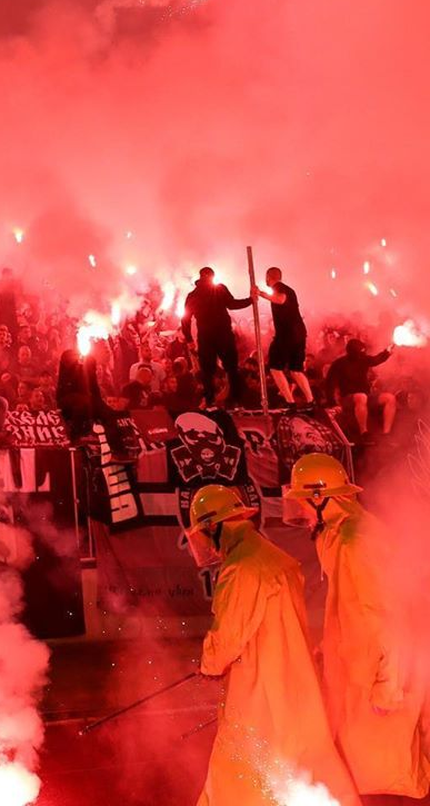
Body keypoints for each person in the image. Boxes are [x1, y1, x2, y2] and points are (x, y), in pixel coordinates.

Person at [186, 484, 361, 806]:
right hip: (299, 686)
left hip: (259, 695)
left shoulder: (241, 568)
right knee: (309, 766)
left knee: (240, 779)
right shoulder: (276, 559)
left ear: (214, 527)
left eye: (204, 533)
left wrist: (208, 665)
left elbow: (226, 639)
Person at [283, 454, 430, 797]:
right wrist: (330, 645)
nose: (299, 511)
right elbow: (353, 609)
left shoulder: (355, 541)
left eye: (302, 502)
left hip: (377, 689)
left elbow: (389, 618)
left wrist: (387, 690)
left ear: (321, 499)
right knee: (371, 776)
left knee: (386, 782)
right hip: (363, 680)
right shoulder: (345, 534)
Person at [182, 268, 252, 407]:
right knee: (231, 367)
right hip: (222, 334)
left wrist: (189, 339)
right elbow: (232, 304)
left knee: (208, 371)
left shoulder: (193, 295)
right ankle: (234, 399)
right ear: (213, 277)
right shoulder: (219, 289)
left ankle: (210, 400)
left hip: (206, 337)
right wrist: (250, 300)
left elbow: (185, 319)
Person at [253, 267, 313, 405]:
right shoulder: (289, 289)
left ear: (268, 277)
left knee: (275, 367)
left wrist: (260, 293)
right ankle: (311, 400)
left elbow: (280, 299)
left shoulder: (280, 288)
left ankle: (290, 402)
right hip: (298, 333)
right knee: (296, 370)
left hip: (287, 334)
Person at [325, 339, 395, 440]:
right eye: (360, 352)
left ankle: (386, 434)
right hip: (347, 398)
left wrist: (387, 352)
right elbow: (329, 384)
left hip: (365, 396)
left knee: (390, 398)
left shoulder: (363, 359)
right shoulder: (339, 364)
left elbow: (376, 360)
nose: (362, 354)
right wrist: (332, 403)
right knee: (361, 397)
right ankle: (364, 433)